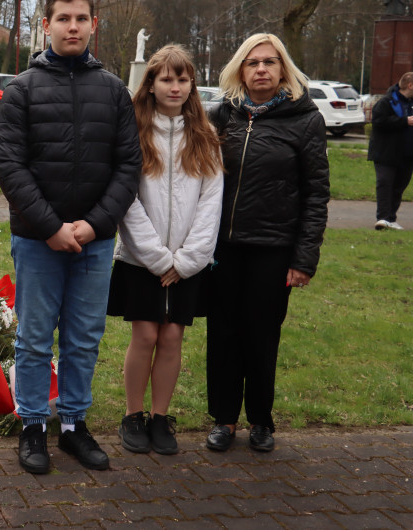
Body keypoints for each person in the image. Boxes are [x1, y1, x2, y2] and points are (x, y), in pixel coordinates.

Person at [0, 0, 141, 474]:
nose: (72, 27)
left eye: (81, 18)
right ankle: (33, 425)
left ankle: (74, 425)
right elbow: (10, 166)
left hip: (94, 243)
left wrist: (94, 225)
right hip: (38, 240)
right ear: (46, 25)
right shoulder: (22, 91)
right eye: (63, 18)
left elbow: (128, 166)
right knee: (34, 338)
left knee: (83, 338)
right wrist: (53, 226)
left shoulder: (114, 92)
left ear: (93, 25)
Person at [205, 33, 329, 453]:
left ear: (283, 69)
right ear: (240, 69)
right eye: (253, 62)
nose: (261, 69)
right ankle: (224, 419)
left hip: (274, 250)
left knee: (261, 336)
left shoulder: (306, 119)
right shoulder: (224, 116)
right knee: (222, 335)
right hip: (223, 248)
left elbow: (316, 193)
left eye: (269, 62)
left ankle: (261, 420)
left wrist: (305, 258)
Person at [108, 45, 223, 456]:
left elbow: (211, 202)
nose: (175, 87)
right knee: (145, 333)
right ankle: (133, 416)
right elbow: (126, 200)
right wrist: (157, 257)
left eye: (183, 79)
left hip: (188, 262)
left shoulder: (205, 137)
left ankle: (160, 418)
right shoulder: (135, 132)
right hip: (142, 258)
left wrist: (189, 259)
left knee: (173, 335)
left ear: (192, 85)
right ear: (151, 84)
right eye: (166, 79)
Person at [368, 71, 413, 230]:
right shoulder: (387, 102)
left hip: (406, 155)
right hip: (385, 153)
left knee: (399, 186)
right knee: (385, 184)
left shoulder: (411, 103)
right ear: (410, 85)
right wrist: (404, 121)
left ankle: (391, 218)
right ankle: (382, 218)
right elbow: (378, 122)